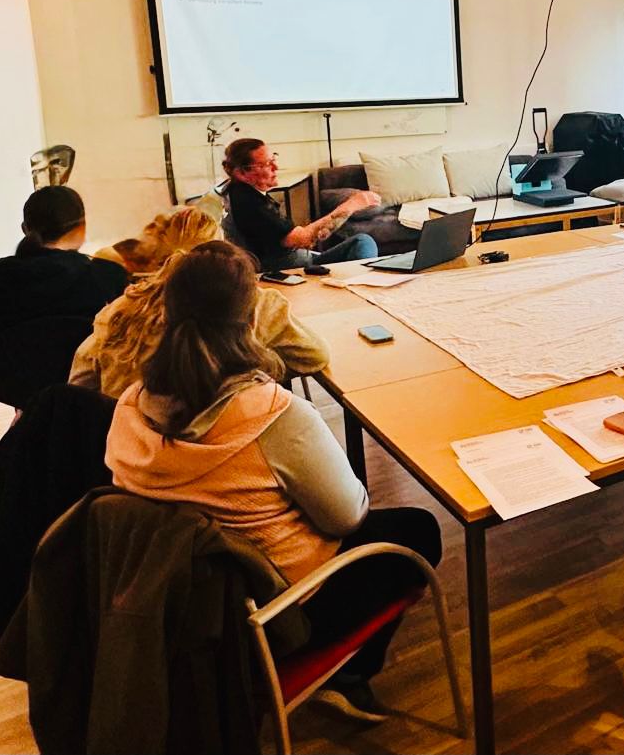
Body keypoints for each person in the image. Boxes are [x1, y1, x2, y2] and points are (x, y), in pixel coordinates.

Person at [104, 243, 439, 722]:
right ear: (251, 317)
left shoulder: (131, 404)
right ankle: (348, 673)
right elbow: (347, 516)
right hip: (276, 616)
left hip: (181, 604)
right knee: (418, 529)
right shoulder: (271, 414)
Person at [71, 229, 329, 398]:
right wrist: (262, 362)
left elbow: (80, 383)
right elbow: (314, 355)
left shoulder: (121, 309)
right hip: (229, 442)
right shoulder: (259, 305)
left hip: (125, 450)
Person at [0, 186, 127, 355]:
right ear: (82, 227)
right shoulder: (107, 277)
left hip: (10, 373)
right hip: (92, 372)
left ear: (25, 229)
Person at [223, 138, 381, 271]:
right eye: (266, 164)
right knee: (363, 243)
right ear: (242, 173)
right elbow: (303, 240)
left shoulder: (239, 192)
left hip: (297, 259)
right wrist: (352, 204)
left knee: (361, 243)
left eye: (273, 160)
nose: (276, 167)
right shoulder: (251, 204)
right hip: (291, 269)